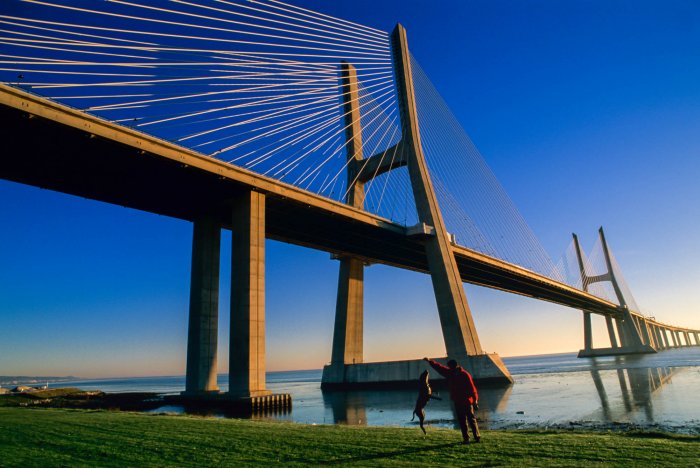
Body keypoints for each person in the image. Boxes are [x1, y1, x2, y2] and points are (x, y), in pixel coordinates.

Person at [423, 357, 480, 444]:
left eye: (450, 367)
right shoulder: (451, 373)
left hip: (466, 401)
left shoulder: (464, 374)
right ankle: (467, 439)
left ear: (454, 366)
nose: (449, 368)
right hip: (458, 401)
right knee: (463, 420)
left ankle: (476, 437)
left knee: (470, 419)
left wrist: (475, 401)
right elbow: (440, 368)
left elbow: (472, 389)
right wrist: (430, 362)